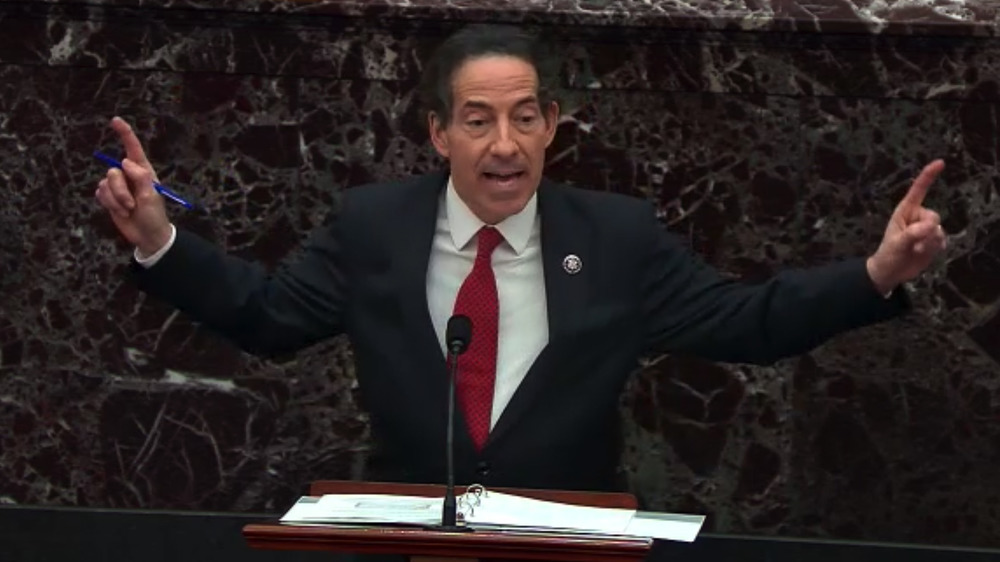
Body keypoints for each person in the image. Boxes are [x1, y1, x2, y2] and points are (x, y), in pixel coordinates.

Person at [94, 24, 947, 494]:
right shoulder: (374, 226)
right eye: (477, 120)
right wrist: (159, 242)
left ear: (551, 125)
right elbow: (268, 319)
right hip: (411, 537)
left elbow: (749, 322)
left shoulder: (616, 236)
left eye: (525, 118)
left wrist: (876, 274)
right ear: (438, 132)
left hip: (570, 539)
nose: (505, 146)